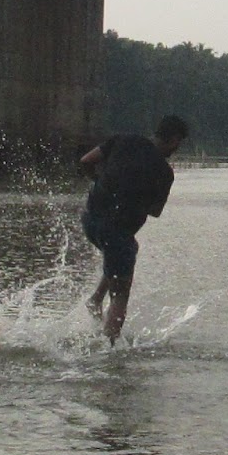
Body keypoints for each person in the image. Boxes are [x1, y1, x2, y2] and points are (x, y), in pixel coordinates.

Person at [80, 115, 189, 345]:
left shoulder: (123, 140)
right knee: (121, 295)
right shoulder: (164, 172)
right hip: (117, 232)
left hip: (91, 220)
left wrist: (100, 181)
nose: (177, 149)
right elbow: (156, 211)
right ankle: (109, 350)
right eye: (178, 144)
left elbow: (86, 161)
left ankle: (96, 299)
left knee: (128, 249)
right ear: (174, 139)